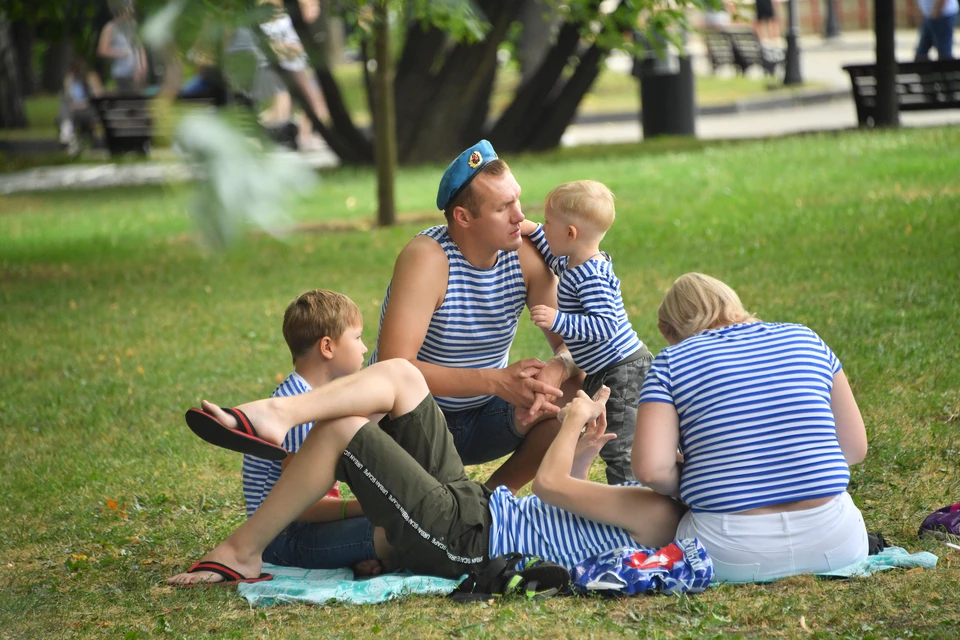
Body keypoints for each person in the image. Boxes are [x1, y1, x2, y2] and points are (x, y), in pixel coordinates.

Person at [167, 359, 685, 586]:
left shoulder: (660, 512)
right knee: (402, 375)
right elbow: (559, 506)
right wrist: (585, 453)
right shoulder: (651, 503)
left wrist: (572, 421)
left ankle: (241, 552)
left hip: (469, 542)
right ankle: (276, 415)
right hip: (475, 506)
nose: (671, 450)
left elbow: (548, 485)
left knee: (343, 431)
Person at [367, 139, 578, 494]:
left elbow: (578, 344)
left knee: (577, 390)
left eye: (517, 200)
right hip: (415, 423)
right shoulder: (427, 259)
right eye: (503, 208)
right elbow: (394, 367)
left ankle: (491, 500)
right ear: (463, 218)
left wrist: (560, 367)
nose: (520, 217)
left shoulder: (525, 254)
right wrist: (496, 382)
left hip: (488, 417)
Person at [633, 273, 870, 583]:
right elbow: (854, 448)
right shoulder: (806, 338)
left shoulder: (671, 362)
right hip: (838, 543)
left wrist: (701, 477)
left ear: (669, 331)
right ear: (733, 303)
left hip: (729, 554)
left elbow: (650, 471)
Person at [518, 181, 652, 485]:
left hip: (622, 371)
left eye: (548, 223)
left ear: (570, 234)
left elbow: (606, 326)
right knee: (610, 436)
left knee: (618, 444)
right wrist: (530, 228)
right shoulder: (574, 261)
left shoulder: (591, 274)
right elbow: (554, 258)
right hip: (609, 370)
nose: (544, 227)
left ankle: (630, 506)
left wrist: (559, 320)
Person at [241, 289, 382, 574]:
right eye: (357, 338)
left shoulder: (309, 400)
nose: (365, 348)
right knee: (391, 528)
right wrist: (365, 507)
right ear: (327, 347)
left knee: (391, 523)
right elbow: (300, 509)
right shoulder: (297, 413)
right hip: (281, 538)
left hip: (303, 527)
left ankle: (359, 553)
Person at [97, 0, 148, 94]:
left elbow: (140, 48)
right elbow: (102, 50)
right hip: (122, 73)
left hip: (137, 74)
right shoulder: (110, 27)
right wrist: (121, 53)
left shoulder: (133, 26)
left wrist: (142, 67)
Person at [57, 55, 103, 155]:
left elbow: (97, 97)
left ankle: (67, 132)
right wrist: (69, 81)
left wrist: (83, 104)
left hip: (89, 109)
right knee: (65, 106)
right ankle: (67, 131)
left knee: (67, 109)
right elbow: (67, 97)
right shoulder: (71, 80)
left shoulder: (91, 77)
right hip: (75, 110)